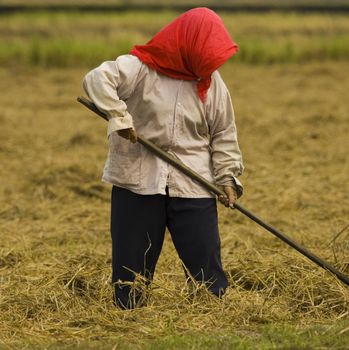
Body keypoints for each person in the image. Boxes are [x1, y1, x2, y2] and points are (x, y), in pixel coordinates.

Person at [82, 7, 244, 309]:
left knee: (205, 260)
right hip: (138, 180)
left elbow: (223, 131)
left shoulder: (210, 80)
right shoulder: (140, 68)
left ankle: (213, 310)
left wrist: (227, 177)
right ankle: (128, 314)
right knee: (131, 271)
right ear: (189, 43)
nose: (208, 62)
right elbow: (96, 80)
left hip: (193, 182)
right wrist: (120, 118)